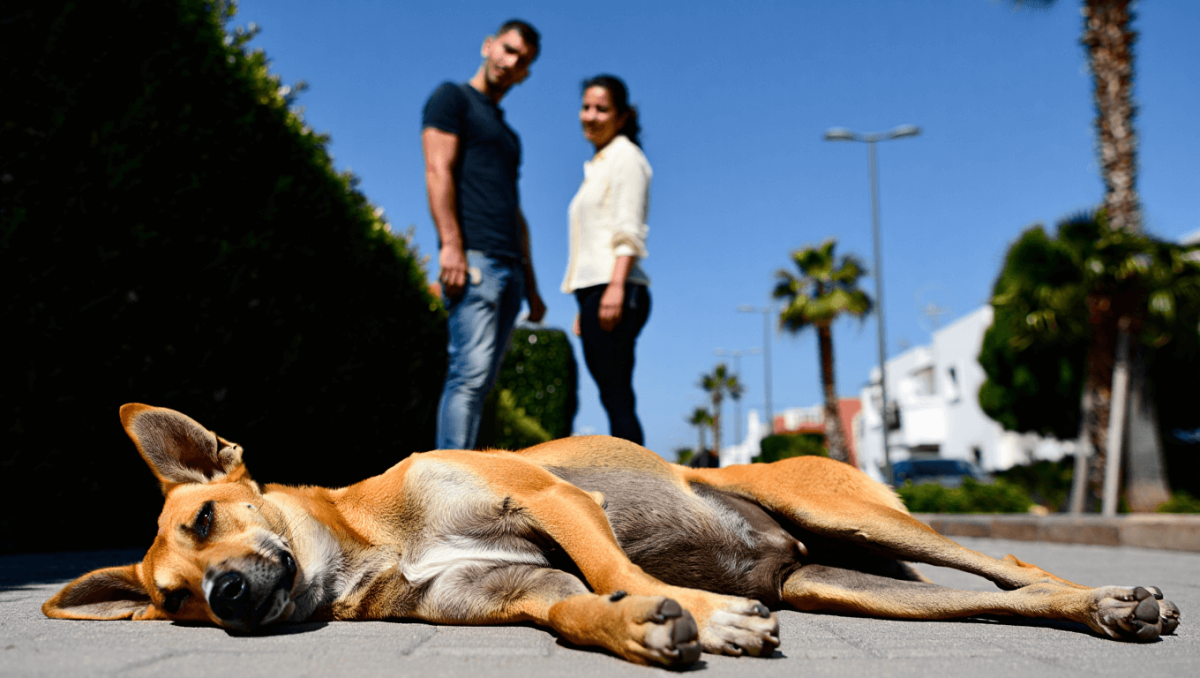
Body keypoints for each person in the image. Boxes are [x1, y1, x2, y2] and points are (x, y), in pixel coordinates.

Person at [423, 19, 546, 450]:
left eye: (522, 60)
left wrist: (532, 285)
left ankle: (463, 485)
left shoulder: (509, 136)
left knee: (483, 384)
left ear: (525, 73)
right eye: (508, 50)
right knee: (468, 377)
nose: (511, 62)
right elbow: (438, 170)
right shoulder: (451, 98)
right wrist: (452, 247)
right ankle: (444, 490)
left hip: (511, 267)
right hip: (473, 258)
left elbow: (515, 210)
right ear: (488, 45)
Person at [561, 75, 652, 445]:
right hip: (594, 292)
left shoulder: (626, 157)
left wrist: (613, 287)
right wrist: (586, 303)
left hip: (616, 288)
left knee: (617, 397)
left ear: (623, 116)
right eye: (586, 107)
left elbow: (628, 229)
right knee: (613, 395)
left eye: (602, 108)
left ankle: (643, 488)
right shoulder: (598, 164)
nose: (591, 115)